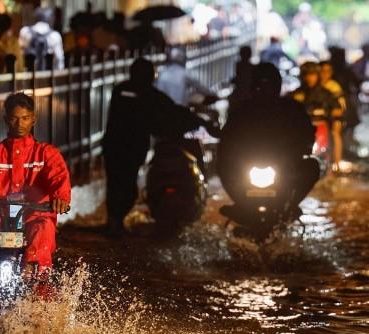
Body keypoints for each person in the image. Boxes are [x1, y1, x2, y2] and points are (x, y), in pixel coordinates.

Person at [0, 92, 71, 284]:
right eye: (14, 118)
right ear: (6, 120)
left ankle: (35, 280)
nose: (20, 124)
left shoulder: (46, 153)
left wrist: (60, 197)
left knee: (43, 230)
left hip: (35, 214)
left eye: (25, 118)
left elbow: (58, 177)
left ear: (33, 119)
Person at [103, 58, 218, 236]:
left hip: (115, 147)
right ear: (150, 76)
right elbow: (173, 112)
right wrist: (203, 123)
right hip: (129, 148)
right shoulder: (148, 95)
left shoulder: (122, 90)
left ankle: (114, 222)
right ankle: (115, 224)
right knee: (126, 188)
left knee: (117, 185)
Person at [219, 63, 319, 213]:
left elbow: (306, 134)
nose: (264, 91)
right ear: (253, 87)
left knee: (312, 166)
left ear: (276, 87)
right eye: (260, 87)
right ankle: (240, 203)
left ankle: (290, 204)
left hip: (284, 164)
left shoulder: (292, 109)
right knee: (222, 164)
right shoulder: (242, 111)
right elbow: (228, 138)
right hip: (246, 163)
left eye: (268, 86)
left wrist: (302, 148)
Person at [320, 60, 347, 171]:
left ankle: (336, 162)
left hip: (331, 117)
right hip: (316, 118)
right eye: (322, 71)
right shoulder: (313, 85)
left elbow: (341, 105)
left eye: (328, 71)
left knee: (335, 132)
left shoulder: (334, 86)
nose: (325, 73)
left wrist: (336, 111)